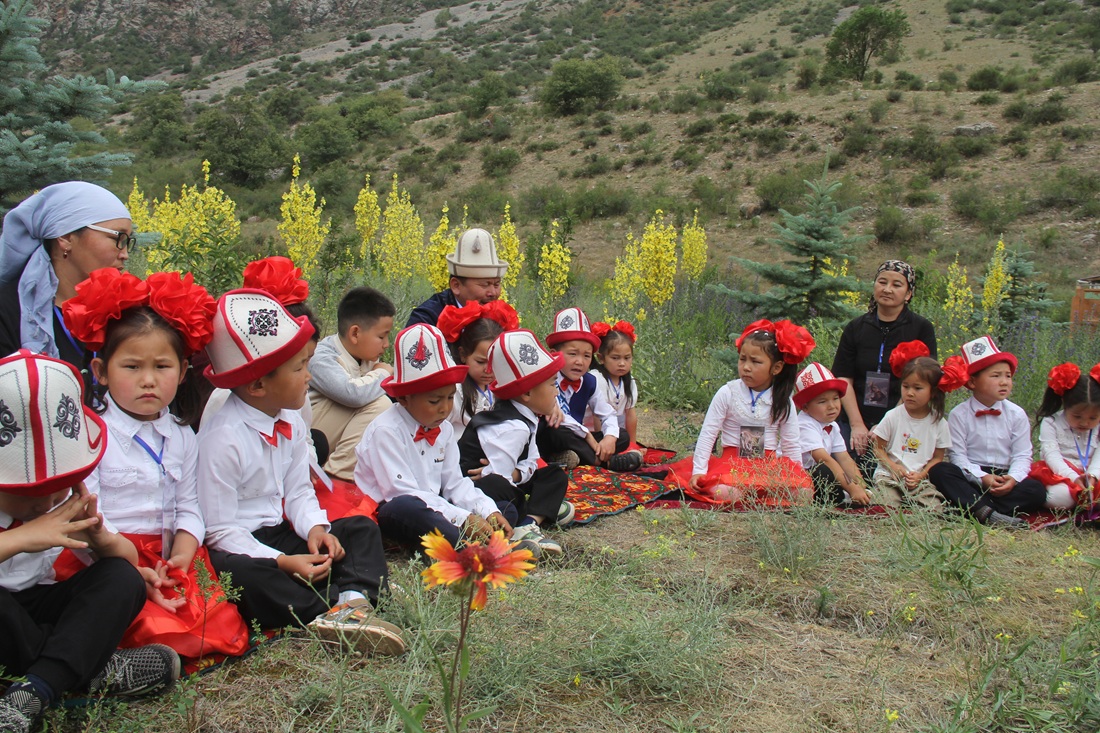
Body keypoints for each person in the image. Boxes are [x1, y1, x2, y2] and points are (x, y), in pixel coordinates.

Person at [196, 289, 404, 655]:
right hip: (242, 544)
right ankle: (336, 604)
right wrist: (282, 561)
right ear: (258, 384)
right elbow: (219, 529)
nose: (309, 376)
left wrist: (315, 529)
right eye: (299, 368)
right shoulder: (223, 438)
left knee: (358, 529)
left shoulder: (290, 419)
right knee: (240, 577)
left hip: (279, 532)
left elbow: (297, 491)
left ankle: (351, 601)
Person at [61, 268, 249, 660]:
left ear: (182, 373)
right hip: (107, 555)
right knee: (144, 625)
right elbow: (86, 513)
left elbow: (189, 503)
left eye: (161, 367)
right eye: (132, 367)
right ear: (100, 371)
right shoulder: (90, 434)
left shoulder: (182, 435)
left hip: (169, 555)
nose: (148, 380)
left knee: (217, 627)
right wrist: (126, 558)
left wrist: (182, 552)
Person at [0, 350, 178, 733]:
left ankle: (35, 687)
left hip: (36, 603)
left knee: (121, 578)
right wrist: (20, 538)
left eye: (55, 489)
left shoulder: (65, 499)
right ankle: (84, 669)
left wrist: (99, 537)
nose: (48, 504)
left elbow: (127, 558)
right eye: (30, 495)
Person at [354, 324, 516, 549]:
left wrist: (487, 510)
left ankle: (478, 532)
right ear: (403, 398)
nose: (445, 408)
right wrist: (462, 517)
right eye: (434, 401)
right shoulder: (386, 431)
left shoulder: (445, 429)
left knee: (502, 505)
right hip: (393, 507)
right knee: (406, 508)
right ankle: (460, 542)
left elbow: (454, 482)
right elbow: (401, 493)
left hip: (435, 502)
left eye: (450, 398)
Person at [0, 182, 133, 379]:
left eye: (128, 241)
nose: (125, 254)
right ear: (66, 237)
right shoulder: (9, 312)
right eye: (118, 238)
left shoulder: (123, 313)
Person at [458, 329, 571, 559]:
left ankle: (530, 520)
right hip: (473, 483)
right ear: (527, 392)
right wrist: (512, 476)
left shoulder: (528, 417)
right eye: (552, 385)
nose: (556, 392)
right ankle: (526, 523)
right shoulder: (513, 427)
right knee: (507, 494)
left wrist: (519, 474)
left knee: (554, 475)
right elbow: (498, 476)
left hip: (505, 477)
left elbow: (531, 461)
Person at [682, 319, 814, 507]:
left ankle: (760, 494)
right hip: (732, 464)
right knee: (727, 494)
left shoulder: (783, 401)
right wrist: (699, 470)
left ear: (776, 368)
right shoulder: (728, 392)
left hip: (768, 467)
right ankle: (749, 495)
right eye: (742, 359)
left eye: (755, 361)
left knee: (804, 494)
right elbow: (708, 433)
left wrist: (796, 476)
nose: (746, 367)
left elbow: (791, 443)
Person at [928, 335, 1047, 526]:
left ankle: (978, 510)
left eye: (1008, 376)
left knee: (1037, 490)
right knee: (941, 471)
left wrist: (1013, 479)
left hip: (1004, 477)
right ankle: (989, 512)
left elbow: (1023, 455)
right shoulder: (960, 414)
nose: (1004, 382)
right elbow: (958, 456)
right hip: (973, 477)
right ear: (973, 382)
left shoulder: (1017, 414)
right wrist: (982, 478)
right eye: (996, 375)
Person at [830, 260, 937, 465]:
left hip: (902, 414)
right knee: (846, 467)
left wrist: (888, 424)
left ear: (908, 294)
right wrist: (857, 424)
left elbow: (925, 379)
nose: (887, 289)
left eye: (897, 285)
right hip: (856, 414)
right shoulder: (856, 327)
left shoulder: (921, 328)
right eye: (882, 282)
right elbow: (843, 377)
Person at [309, 286, 395, 481]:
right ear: (355, 333)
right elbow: (352, 394)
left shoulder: (365, 357)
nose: (386, 344)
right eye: (381, 336)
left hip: (332, 437)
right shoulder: (321, 356)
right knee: (380, 404)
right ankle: (336, 475)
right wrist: (382, 373)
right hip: (312, 436)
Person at [868, 343, 966, 509]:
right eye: (906, 387)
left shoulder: (939, 423)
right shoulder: (893, 416)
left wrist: (921, 475)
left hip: (919, 479)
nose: (910, 393)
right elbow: (878, 448)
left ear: (933, 392)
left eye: (918, 388)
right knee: (886, 505)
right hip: (889, 476)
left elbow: (937, 457)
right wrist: (894, 467)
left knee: (933, 507)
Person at [536, 308, 634, 470]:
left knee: (621, 436)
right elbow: (559, 418)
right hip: (554, 435)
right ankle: (604, 462)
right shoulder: (546, 380)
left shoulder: (589, 381)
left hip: (576, 439)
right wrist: (587, 435)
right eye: (573, 354)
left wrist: (609, 437)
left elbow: (607, 413)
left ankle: (567, 458)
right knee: (557, 431)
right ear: (554, 354)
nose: (580, 362)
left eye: (586, 356)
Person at [436, 299, 519, 440]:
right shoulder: (454, 391)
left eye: (496, 362)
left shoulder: (504, 384)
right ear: (463, 355)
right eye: (481, 362)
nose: (488, 370)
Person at [794, 362, 870, 506]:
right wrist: (852, 488)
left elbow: (845, 459)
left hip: (818, 474)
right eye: (822, 401)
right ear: (805, 407)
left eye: (835, 399)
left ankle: (848, 497)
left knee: (831, 472)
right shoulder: (804, 425)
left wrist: (861, 486)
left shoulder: (832, 426)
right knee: (822, 470)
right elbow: (825, 459)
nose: (832, 406)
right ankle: (835, 500)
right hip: (799, 476)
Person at [1030, 363, 1100, 511]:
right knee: (1059, 497)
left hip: (1092, 474)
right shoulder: (1051, 422)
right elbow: (1052, 455)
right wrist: (1074, 478)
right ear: (1065, 404)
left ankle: (1088, 502)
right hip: (1061, 474)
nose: (1085, 422)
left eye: (1093, 418)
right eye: (1077, 416)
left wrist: (1093, 475)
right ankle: (1081, 503)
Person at [405, 228, 508, 327]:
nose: (493, 293)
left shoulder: (500, 316)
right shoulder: (427, 319)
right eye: (485, 284)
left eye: (496, 284)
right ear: (456, 286)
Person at [587, 320, 644, 471]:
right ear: (601, 358)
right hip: (594, 434)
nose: (622, 363)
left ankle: (619, 455)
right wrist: (604, 442)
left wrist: (632, 445)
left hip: (614, 434)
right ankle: (605, 458)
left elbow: (630, 414)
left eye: (627, 358)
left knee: (623, 437)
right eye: (615, 358)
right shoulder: (596, 378)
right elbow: (597, 417)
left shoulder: (629, 382)